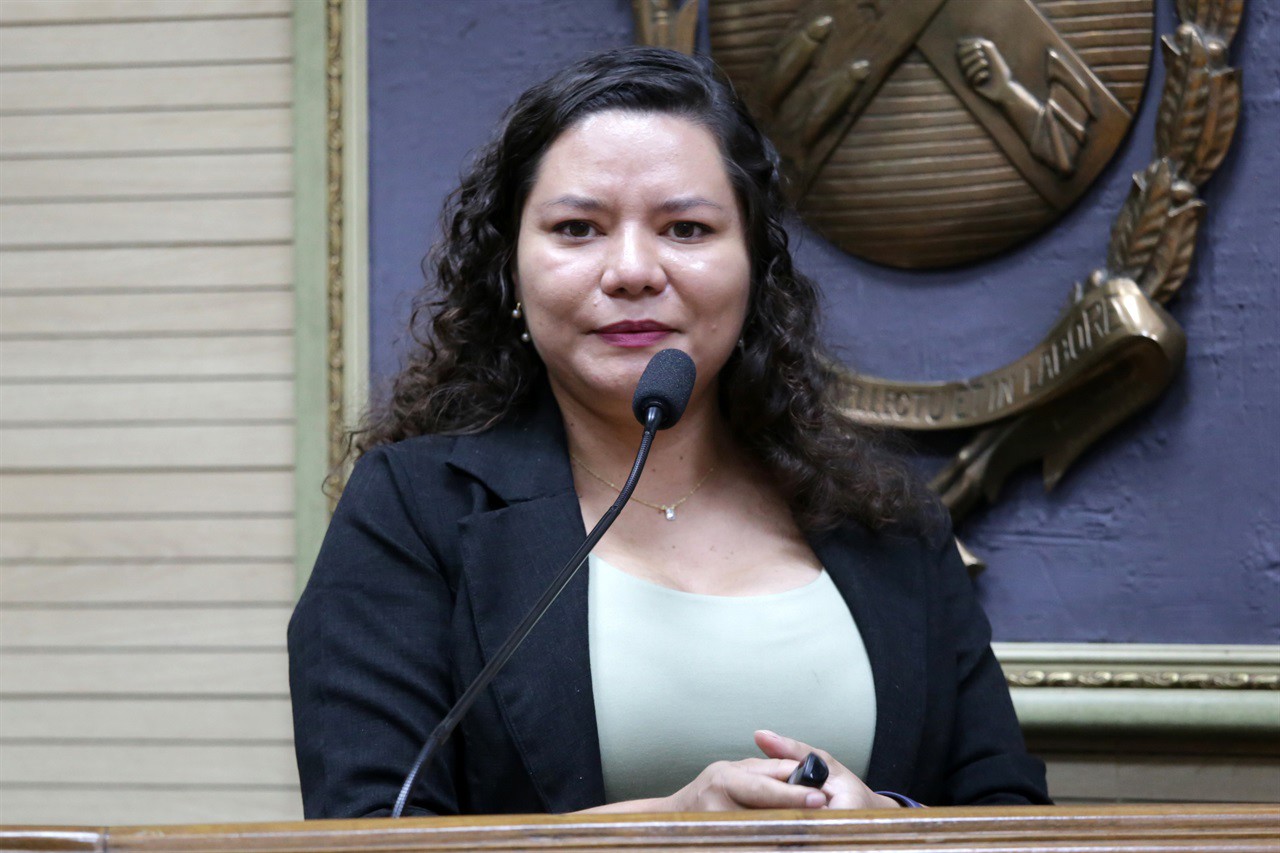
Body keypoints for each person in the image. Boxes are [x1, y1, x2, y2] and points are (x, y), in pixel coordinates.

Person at [288, 46, 1050, 818]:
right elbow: (371, 828)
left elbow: (1012, 813)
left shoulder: (887, 522)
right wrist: (670, 826)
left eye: (685, 228)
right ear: (510, 270)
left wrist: (885, 824)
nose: (632, 269)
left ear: (754, 266)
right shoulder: (414, 512)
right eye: (578, 228)